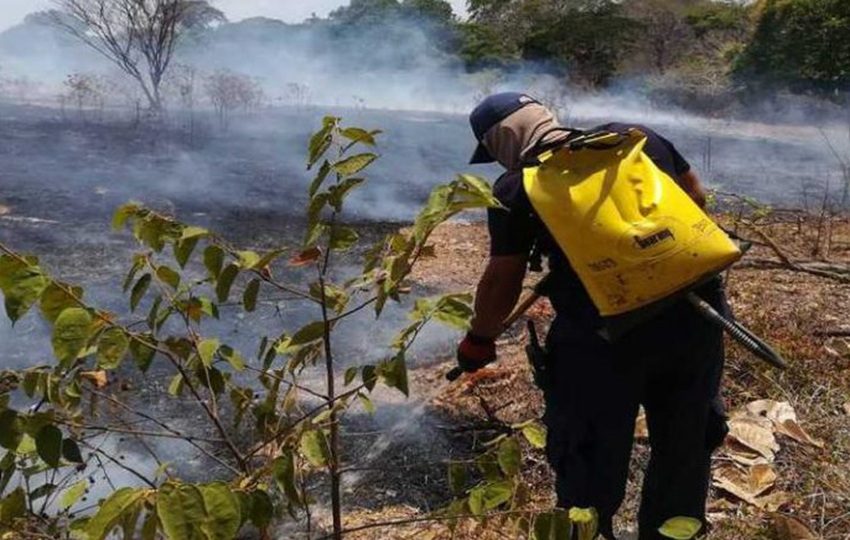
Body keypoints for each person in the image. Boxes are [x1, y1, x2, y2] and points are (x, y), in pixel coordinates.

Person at [455, 93, 730, 540]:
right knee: (685, 449)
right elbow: (695, 197)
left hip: (600, 342)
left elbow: (501, 280)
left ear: (502, 139)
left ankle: (587, 531)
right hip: (694, 321)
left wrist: (478, 340)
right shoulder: (638, 139)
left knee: (587, 457)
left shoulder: (517, 188)